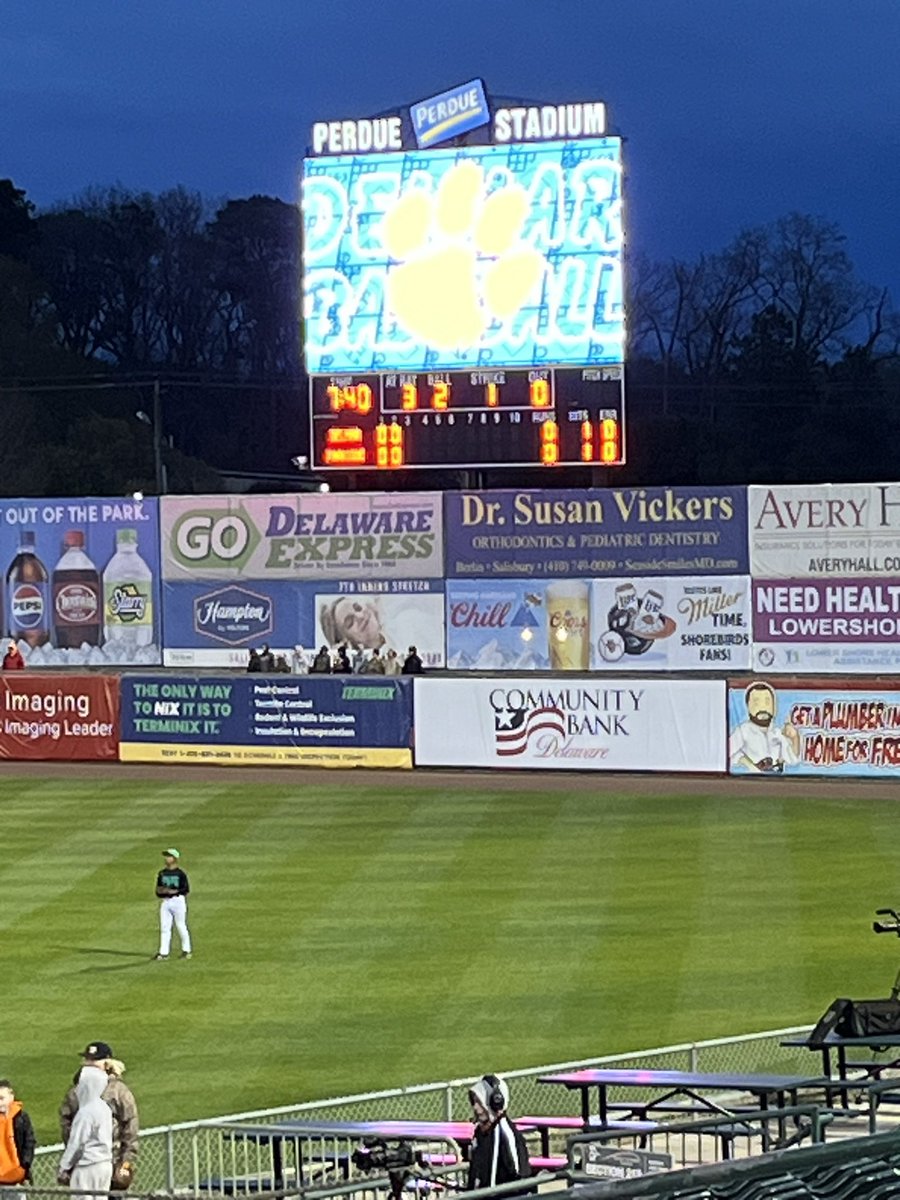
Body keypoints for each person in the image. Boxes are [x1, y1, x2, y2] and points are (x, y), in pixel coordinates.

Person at [60, 1043, 138, 1190]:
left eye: (94, 1060)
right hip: (84, 1162)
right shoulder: (77, 1090)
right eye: (87, 1060)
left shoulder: (118, 1090)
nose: (89, 1064)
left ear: (107, 1062)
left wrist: (126, 1161)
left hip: (113, 1161)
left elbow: (130, 1126)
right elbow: (66, 1122)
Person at [466, 1074, 532, 1192]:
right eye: (474, 1102)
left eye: (479, 1102)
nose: (475, 1108)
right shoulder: (480, 1133)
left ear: (495, 1103)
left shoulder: (506, 1134)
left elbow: (519, 1177)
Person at [58, 1066, 113, 1194]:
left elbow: (77, 1143)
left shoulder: (85, 1113)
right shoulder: (104, 1107)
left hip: (87, 1167)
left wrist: (64, 1167)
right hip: (105, 1164)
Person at [729, 681, 800, 772]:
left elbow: (792, 760)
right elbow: (727, 753)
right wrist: (746, 763)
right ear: (748, 707)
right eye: (756, 703)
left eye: (767, 702)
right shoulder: (743, 731)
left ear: (774, 707)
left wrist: (795, 738)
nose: (763, 708)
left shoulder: (777, 732)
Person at [154, 848, 192, 961]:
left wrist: (173, 891)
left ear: (174, 859)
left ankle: (187, 950)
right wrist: (163, 891)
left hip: (178, 901)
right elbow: (157, 890)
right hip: (165, 902)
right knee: (165, 927)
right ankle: (163, 952)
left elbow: (186, 889)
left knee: (181, 925)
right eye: (166, 856)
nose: (166, 858)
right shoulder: (162, 873)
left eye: (169, 856)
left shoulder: (181, 874)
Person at [0, 1079, 35, 1196]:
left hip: (16, 1177)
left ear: (11, 1097)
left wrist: (24, 1166)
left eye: (1, 1098)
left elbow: (29, 1142)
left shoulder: (21, 1118)